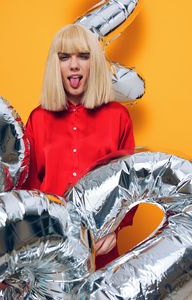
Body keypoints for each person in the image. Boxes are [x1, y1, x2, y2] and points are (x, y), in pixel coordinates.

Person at [22, 24, 135, 268]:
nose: (74, 65)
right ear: (56, 65)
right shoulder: (38, 119)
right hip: (52, 254)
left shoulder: (118, 117)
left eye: (83, 56)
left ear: (93, 63)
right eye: (65, 57)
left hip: (102, 253)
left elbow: (130, 184)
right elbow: (30, 192)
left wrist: (115, 230)